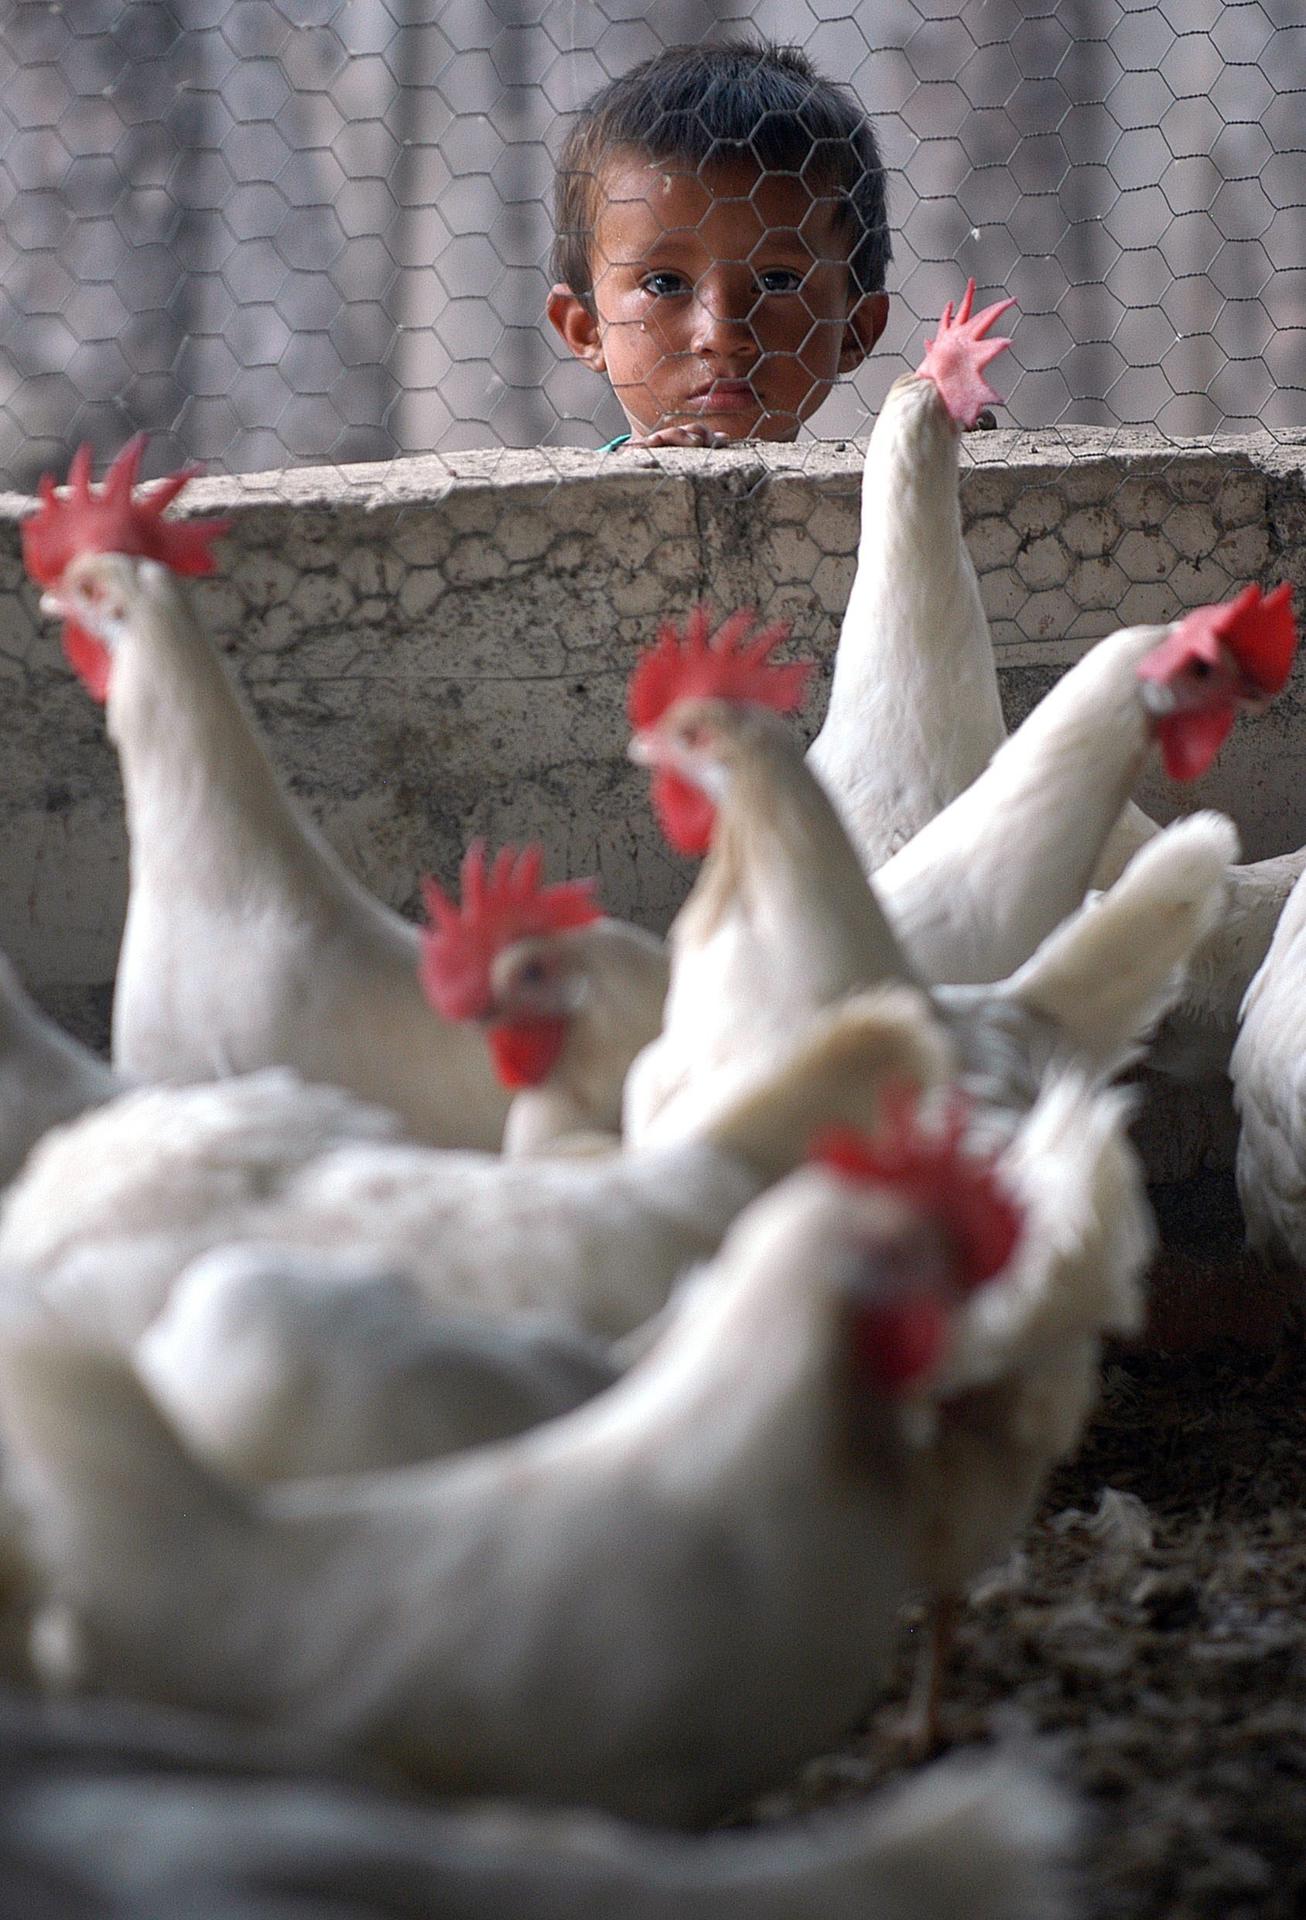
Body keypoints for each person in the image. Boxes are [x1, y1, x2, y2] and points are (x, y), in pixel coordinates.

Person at [547, 40, 891, 450]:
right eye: (664, 283)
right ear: (587, 328)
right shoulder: (583, 501)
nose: (722, 333)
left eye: (778, 280)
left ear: (855, 330)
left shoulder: (866, 498)